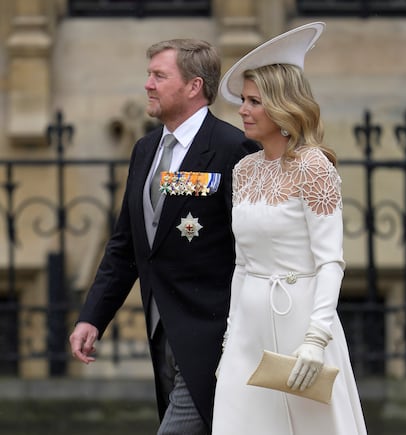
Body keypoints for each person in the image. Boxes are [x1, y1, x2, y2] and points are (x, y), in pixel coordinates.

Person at [69, 38, 258, 434]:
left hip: (214, 336)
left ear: (193, 86)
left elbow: (252, 248)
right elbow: (127, 247)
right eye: (149, 75)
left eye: (159, 75)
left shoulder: (231, 148)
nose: (148, 85)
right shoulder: (145, 149)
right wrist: (93, 317)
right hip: (162, 329)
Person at [212, 22, 367, 434]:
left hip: (303, 321)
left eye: (254, 102)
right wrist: (230, 342)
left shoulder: (314, 166)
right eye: (243, 100)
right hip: (249, 327)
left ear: (283, 107)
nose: (242, 110)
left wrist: (316, 338)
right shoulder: (244, 169)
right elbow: (242, 265)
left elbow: (330, 261)